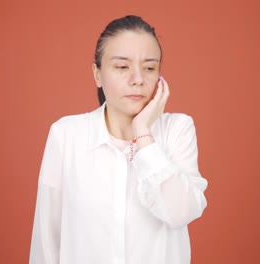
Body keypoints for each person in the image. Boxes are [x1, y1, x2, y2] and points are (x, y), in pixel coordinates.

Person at [29, 15, 208, 264]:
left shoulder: (177, 129)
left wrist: (143, 131)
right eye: (122, 67)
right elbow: (47, 240)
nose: (138, 79)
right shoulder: (66, 135)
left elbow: (181, 212)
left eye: (149, 67)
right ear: (97, 75)